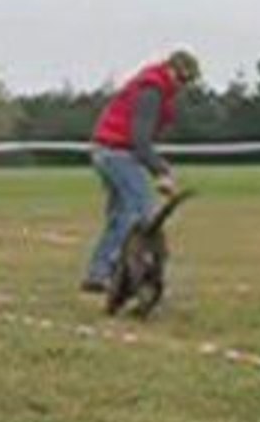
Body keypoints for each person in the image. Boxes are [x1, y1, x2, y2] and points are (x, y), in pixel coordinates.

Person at [82, 50, 201, 292]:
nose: (182, 87)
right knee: (139, 212)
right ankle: (109, 269)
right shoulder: (152, 91)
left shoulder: (152, 87)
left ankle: (101, 272)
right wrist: (161, 172)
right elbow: (140, 141)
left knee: (119, 215)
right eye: (182, 80)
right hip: (116, 152)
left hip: (105, 150)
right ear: (172, 70)